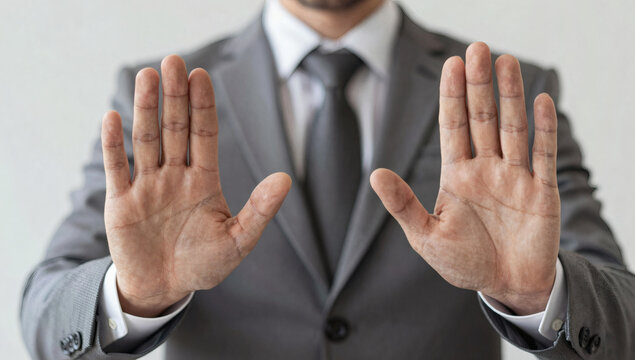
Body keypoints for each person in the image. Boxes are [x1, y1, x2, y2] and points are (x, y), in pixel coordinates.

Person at [20, 0, 635, 358]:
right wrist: (134, 296)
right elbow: (44, 316)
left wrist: (536, 294)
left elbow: (623, 319)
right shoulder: (159, 99)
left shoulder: (510, 94)